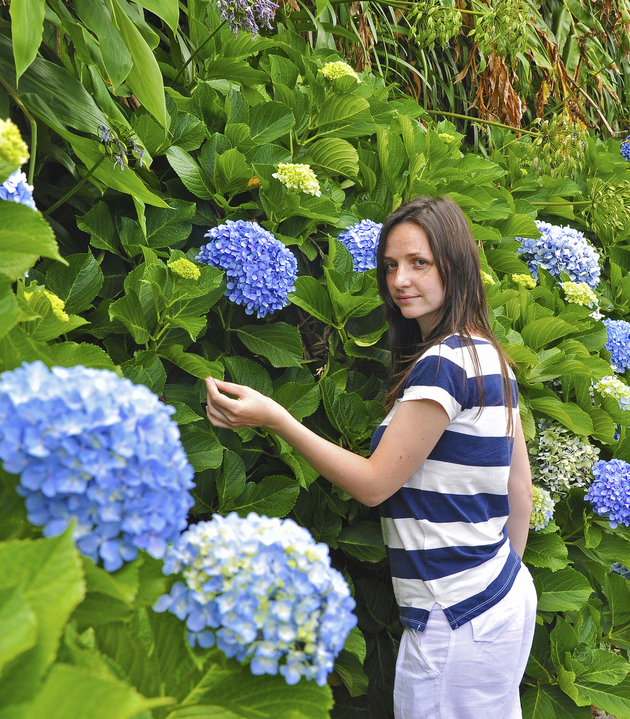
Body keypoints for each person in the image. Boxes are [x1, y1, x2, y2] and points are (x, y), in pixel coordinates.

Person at [203, 196, 536, 717]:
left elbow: (376, 483)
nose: (400, 279)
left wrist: (278, 419)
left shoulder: (443, 365)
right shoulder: (487, 353)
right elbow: (521, 488)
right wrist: (498, 581)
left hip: (456, 613)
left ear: (457, 263)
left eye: (419, 263)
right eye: (390, 266)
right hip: (502, 594)